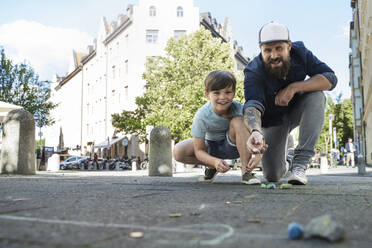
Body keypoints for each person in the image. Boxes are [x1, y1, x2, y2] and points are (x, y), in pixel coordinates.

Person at [243, 22, 337, 185]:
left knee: (317, 96)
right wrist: (255, 131)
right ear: (261, 50)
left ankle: (299, 164)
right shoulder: (253, 70)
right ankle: (289, 158)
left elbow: (330, 78)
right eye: (267, 50)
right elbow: (252, 105)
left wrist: (294, 87)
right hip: (272, 122)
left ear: (289, 46)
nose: (273, 55)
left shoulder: (301, 53)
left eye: (279, 48)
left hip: (297, 110)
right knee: (273, 175)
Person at [173, 70, 264, 184]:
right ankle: (212, 167)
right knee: (178, 151)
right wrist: (214, 162)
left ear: (234, 93)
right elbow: (199, 150)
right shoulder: (202, 115)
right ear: (207, 95)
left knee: (239, 121)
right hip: (210, 147)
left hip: (234, 146)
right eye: (216, 93)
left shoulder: (240, 110)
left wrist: (258, 153)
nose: (223, 97)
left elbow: (257, 135)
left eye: (228, 92)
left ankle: (247, 172)